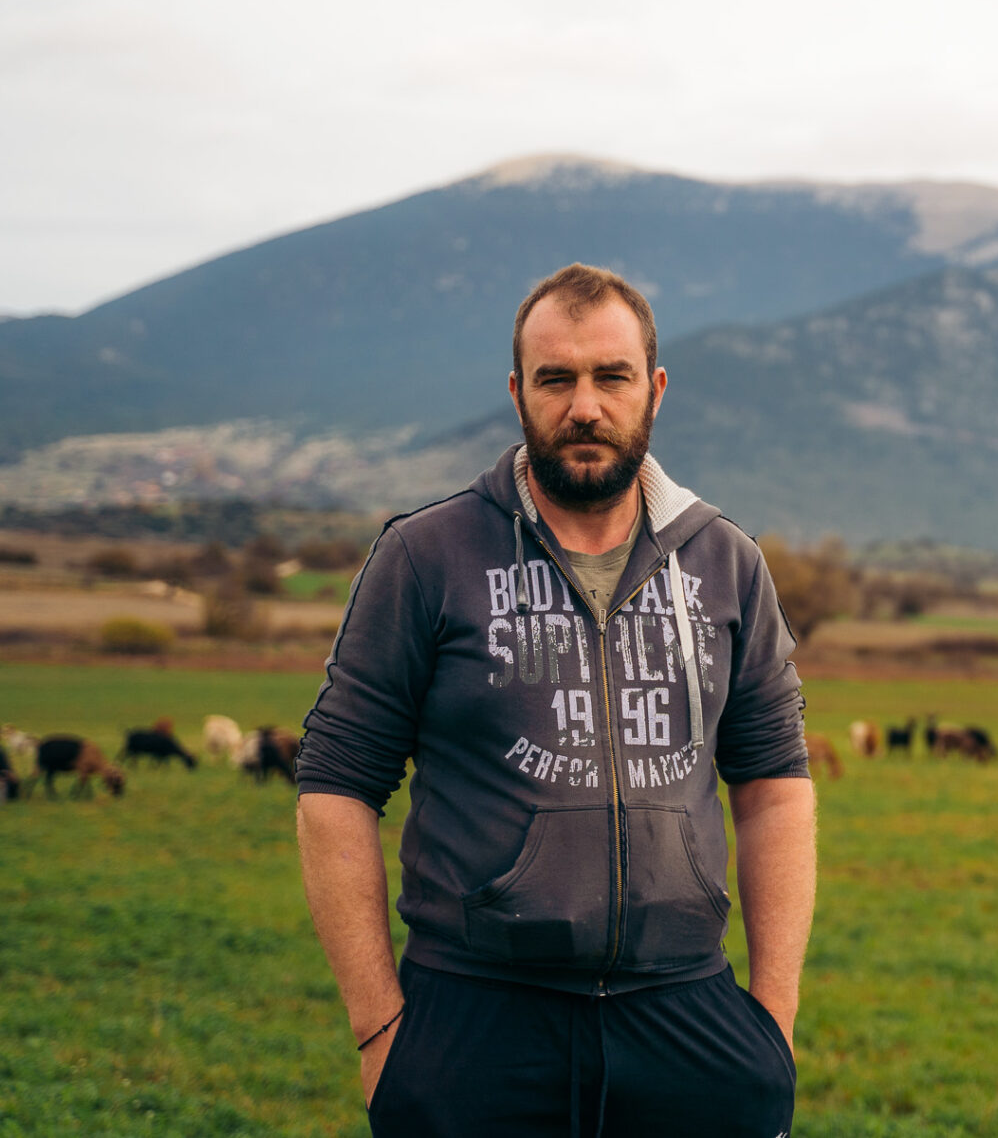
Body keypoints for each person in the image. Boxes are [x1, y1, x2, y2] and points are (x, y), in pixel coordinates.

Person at [296, 263, 815, 1137]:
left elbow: (773, 787)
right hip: (477, 1020)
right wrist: (381, 1026)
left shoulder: (726, 561)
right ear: (517, 392)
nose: (585, 405)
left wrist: (772, 1021)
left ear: (653, 389)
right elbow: (335, 787)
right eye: (556, 378)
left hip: (687, 1014)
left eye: (610, 377)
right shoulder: (426, 556)